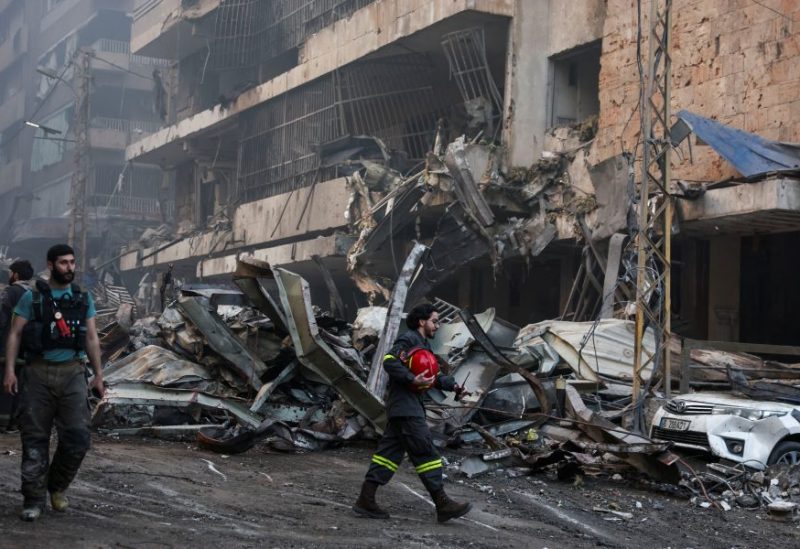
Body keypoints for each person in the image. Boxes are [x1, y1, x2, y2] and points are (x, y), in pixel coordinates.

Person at [2, 244, 106, 522]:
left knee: (78, 437)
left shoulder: (83, 297)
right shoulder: (32, 298)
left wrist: (98, 374)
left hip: (73, 372)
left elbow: (92, 338)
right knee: (34, 439)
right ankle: (33, 500)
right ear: (51, 265)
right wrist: (10, 370)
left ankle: (57, 487)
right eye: (63, 263)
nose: (70, 267)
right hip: (37, 373)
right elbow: (15, 334)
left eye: (72, 262)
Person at [353, 303, 472, 523]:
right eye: (435, 321)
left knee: (387, 456)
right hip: (407, 408)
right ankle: (442, 503)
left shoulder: (423, 345)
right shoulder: (408, 340)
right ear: (422, 321)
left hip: (405, 408)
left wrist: (454, 387)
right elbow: (389, 360)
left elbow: (433, 377)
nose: (437, 325)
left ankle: (365, 500)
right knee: (425, 452)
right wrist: (410, 378)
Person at [0, 260, 35, 433]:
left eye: (10, 272)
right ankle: (15, 422)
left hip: (7, 347)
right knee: (20, 386)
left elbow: (2, 318)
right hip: (27, 349)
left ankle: (3, 423)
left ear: (16, 274)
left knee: (4, 384)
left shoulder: (11, 291)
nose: (8, 275)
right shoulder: (35, 294)